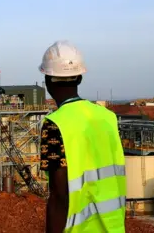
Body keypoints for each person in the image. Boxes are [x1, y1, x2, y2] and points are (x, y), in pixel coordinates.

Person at [39, 41, 127, 233]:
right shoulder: (108, 118)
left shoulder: (55, 125)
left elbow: (59, 197)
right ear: (79, 78)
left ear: (47, 80)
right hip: (114, 227)